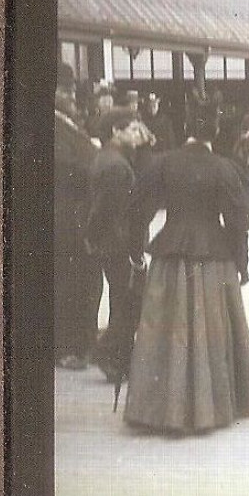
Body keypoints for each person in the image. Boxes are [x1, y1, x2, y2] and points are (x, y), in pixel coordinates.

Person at [123, 101, 249, 434]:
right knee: (210, 330)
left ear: (187, 129)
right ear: (214, 131)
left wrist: (135, 251)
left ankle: (157, 408)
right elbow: (242, 220)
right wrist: (241, 263)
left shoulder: (162, 163)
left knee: (164, 328)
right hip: (213, 258)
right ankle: (209, 406)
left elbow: (137, 209)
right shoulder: (224, 168)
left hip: (170, 254)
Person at [85, 110, 152, 384]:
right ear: (116, 131)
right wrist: (134, 252)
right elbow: (112, 211)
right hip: (119, 243)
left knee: (122, 299)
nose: (139, 134)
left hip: (112, 241)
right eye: (133, 129)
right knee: (128, 300)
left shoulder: (112, 159)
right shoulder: (117, 167)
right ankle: (109, 352)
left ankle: (118, 356)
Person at [54, 77, 103, 371]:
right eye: (66, 91)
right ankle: (68, 346)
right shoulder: (55, 127)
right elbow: (64, 167)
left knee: (84, 282)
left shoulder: (70, 123)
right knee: (70, 283)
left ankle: (82, 342)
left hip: (77, 218)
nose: (72, 96)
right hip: (66, 220)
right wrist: (95, 156)